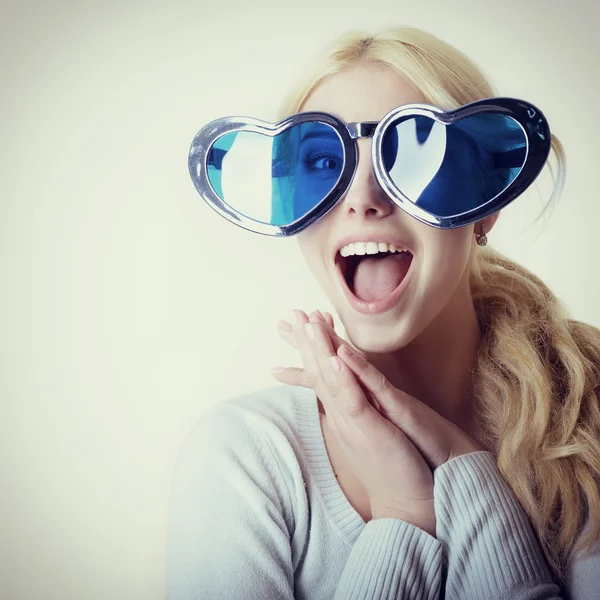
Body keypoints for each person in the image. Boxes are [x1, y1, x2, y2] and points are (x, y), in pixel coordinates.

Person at [166, 26, 600, 599]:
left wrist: (464, 475)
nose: (363, 197)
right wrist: (404, 511)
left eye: (413, 153)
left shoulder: (584, 425)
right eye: (323, 162)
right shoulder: (247, 459)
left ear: (485, 206)